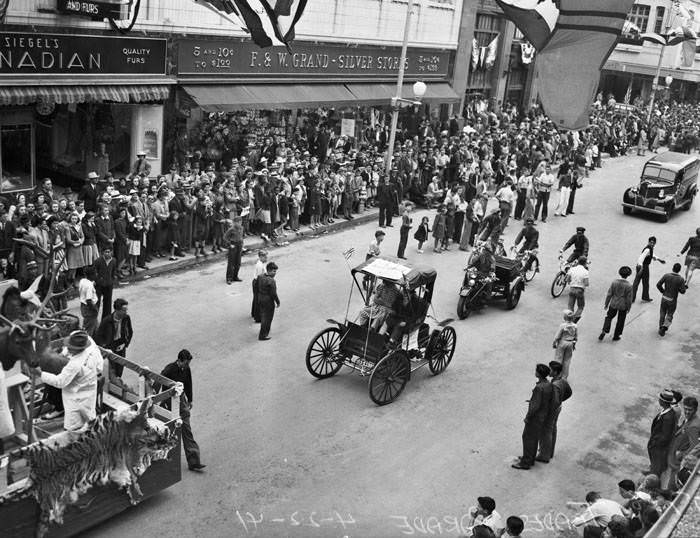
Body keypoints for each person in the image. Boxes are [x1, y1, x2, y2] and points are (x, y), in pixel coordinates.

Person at [33, 330, 103, 432]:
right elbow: (98, 368)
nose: (68, 348)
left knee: (72, 429)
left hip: (75, 399)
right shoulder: (90, 351)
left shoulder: (74, 364)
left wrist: (40, 374)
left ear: (78, 348)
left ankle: (75, 442)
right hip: (89, 392)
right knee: (90, 421)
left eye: (71, 347)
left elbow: (60, 382)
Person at [160, 349, 206, 472]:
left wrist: (190, 400)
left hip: (181, 401)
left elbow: (188, 383)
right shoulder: (169, 369)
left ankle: (194, 461)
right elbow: (158, 380)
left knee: (187, 430)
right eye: (186, 363)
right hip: (169, 402)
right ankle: (162, 461)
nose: (187, 366)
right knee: (168, 432)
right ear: (179, 361)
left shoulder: (186, 369)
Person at [512, 363, 552, 470]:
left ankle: (525, 462)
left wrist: (528, 417)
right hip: (543, 416)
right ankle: (530, 458)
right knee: (534, 438)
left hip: (536, 418)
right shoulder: (548, 384)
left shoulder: (539, 388)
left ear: (539, 374)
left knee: (527, 437)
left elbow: (535, 407)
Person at [537, 361, 571, 462]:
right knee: (552, 429)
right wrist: (561, 400)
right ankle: (549, 452)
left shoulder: (555, 385)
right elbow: (569, 392)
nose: (549, 371)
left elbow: (554, 401)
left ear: (555, 372)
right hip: (558, 408)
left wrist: (547, 410)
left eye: (551, 370)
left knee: (546, 431)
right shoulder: (562, 380)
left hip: (552, 410)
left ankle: (544, 455)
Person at [666, 396, 700, 490]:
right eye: (685, 409)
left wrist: (681, 455)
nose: (687, 412)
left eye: (690, 410)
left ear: (695, 409)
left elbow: (695, 446)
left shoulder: (694, 426)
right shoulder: (690, 419)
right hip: (677, 457)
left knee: (672, 485)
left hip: (679, 462)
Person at [94, 298, 133, 378]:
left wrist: (125, 344)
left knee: (120, 369)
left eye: (126, 310)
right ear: (117, 310)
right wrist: (105, 347)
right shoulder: (106, 321)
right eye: (124, 310)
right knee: (111, 370)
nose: (126, 312)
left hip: (121, 346)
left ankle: (118, 384)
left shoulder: (126, 318)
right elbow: (99, 336)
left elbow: (130, 331)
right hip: (110, 347)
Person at [647, 390, 677, 478]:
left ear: (663, 402)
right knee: (654, 463)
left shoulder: (668, 417)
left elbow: (665, 436)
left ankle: (653, 478)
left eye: (660, 399)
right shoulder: (666, 412)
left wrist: (654, 443)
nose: (659, 400)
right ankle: (652, 471)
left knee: (657, 464)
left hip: (658, 447)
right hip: (656, 444)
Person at [599, 266, 633, 342]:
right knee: (621, 320)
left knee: (609, 317)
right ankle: (616, 335)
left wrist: (606, 303)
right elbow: (629, 298)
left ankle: (604, 330)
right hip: (623, 305)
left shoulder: (614, 282)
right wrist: (629, 307)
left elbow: (609, 294)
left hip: (613, 303)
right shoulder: (629, 286)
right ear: (628, 275)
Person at [656, 262, 687, 336]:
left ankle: (660, 327)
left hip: (664, 298)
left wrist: (663, 291)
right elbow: (683, 291)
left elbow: (658, 284)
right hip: (672, 300)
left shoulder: (666, 275)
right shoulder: (681, 279)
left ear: (673, 268)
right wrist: (679, 288)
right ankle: (664, 327)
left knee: (662, 312)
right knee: (670, 314)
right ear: (679, 270)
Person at [633, 236, 665, 302]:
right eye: (651, 242)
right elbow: (640, 259)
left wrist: (659, 259)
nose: (652, 244)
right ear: (649, 242)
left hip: (641, 266)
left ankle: (632, 298)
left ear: (655, 243)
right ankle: (644, 297)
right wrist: (641, 268)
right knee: (644, 283)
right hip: (643, 267)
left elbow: (652, 255)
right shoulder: (648, 249)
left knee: (637, 283)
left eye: (653, 243)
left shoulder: (649, 248)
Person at [257, 262, 280, 341]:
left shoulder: (260, 276)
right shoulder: (271, 281)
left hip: (260, 298)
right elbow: (273, 294)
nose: (275, 273)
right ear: (269, 271)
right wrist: (278, 302)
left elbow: (256, 286)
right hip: (268, 301)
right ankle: (263, 335)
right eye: (274, 271)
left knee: (263, 316)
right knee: (267, 318)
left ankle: (263, 332)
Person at [93, 246, 117, 320]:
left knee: (108, 303)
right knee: (97, 302)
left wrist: (112, 280)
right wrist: (96, 280)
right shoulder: (98, 261)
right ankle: (94, 320)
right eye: (106, 252)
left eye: (109, 252)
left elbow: (113, 272)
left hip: (109, 285)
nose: (107, 254)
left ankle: (105, 320)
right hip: (99, 285)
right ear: (102, 253)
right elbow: (94, 272)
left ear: (111, 252)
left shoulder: (113, 261)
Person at [552, 310, 577, 379]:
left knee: (558, 359)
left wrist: (554, 342)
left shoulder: (563, 325)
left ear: (565, 317)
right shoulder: (575, 326)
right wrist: (574, 344)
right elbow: (575, 336)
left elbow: (557, 336)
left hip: (562, 342)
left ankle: (557, 375)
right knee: (567, 360)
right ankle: (564, 376)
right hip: (570, 343)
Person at [566, 256, 589, 323]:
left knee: (570, 306)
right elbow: (586, 283)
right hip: (580, 290)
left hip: (572, 289)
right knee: (581, 306)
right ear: (585, 263)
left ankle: (569, 319)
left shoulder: (572, 269)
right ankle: (574, 319)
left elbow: (568, 280)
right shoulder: (585, 271)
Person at [78, 267, 99, 337]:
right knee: (89, 329)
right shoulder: (89, 285)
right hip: (89, 308)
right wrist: (95, 309)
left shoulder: (82, 281)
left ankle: (98, 340)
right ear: (91, 275)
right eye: (95, 273)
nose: (96, 274)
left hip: (83, 306)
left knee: (95, 326)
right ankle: (86, 343)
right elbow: (89, 300)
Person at [223, 215, 244, 284]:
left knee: (238, 262)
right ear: (234, 222)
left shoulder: (241, 228)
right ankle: (229, 278)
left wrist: (242, 244)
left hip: (239, 245)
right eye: (238, 222)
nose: (239, 223)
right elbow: (225, 237)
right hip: (233, 245)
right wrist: (229, 244)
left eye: (240, 222)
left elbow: (241, 237)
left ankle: (235, 276)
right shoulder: (231, 229)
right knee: (231, 263)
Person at [251, 250, 268, 323]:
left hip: (256, 281)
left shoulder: (261, 263)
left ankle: (253, 313)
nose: (266, 258)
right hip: (258, 282)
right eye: (265, 257)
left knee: (255, 298)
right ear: (261, 257)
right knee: (258, 300)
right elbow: (260, 277)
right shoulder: (260, 265)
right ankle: (257, 317)